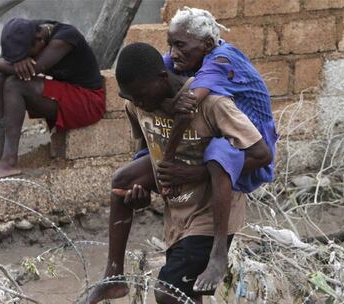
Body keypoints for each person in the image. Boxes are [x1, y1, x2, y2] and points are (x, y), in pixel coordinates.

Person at [84, 43, 270, 304]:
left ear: (161, 78)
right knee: (122, 182)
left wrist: (194, 173)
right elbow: (145, 149)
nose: (137, 103)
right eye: (130, 98)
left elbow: (262, 154)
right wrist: (143, 190)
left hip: (212, 215)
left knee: (168, 293)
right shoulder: (137, 105)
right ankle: (113, 276)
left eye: (140, 95)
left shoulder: (210, 104)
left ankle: (219, 255)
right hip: (177, 216)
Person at [0, 18, 105, 179]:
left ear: (40, 41)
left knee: (14, 84)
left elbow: (32, 70)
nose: (22, 59)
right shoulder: (30, 31)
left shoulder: (65, 38)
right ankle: (1, 154)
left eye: (26, 54)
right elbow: (8, 62)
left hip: (87, 101)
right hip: (64, 94)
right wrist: (16, 59)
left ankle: (10, 162)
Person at [159, 6, 278, 194]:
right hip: (221, 130)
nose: (173, 53)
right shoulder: (184, 55)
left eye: (180, 45)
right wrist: (166, 103)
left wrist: (167, 161)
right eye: (170, 45)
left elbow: (187, 107)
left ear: (207, 44)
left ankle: (216, 216)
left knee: (217, 152)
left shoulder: (222, 60)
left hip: (251, 148)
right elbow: (150, 75)